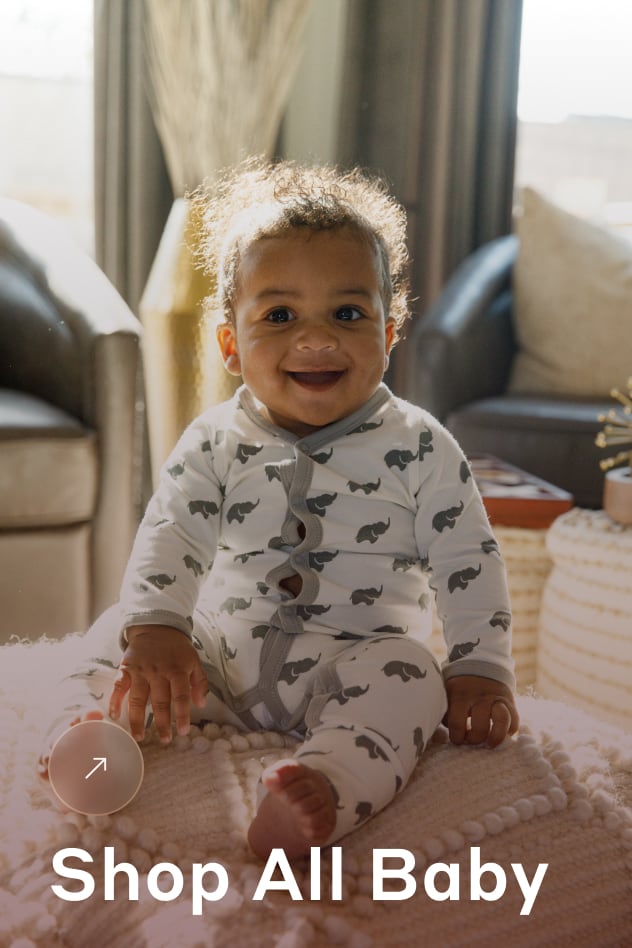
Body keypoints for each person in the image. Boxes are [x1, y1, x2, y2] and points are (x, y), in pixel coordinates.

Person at [40, 159, 519, 860]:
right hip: (214, 663)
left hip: (348, 663)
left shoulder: (421, 447)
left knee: (414, 679)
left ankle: (322, 786)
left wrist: (481, 665)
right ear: (231, 343)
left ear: (389, 332)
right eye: (280, 315)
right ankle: (90, 742)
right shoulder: (216, 439)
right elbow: (171, 533)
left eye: (348, 313)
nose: (316, 339)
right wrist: (160, 628)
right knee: (119, 632)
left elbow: (468, 561)